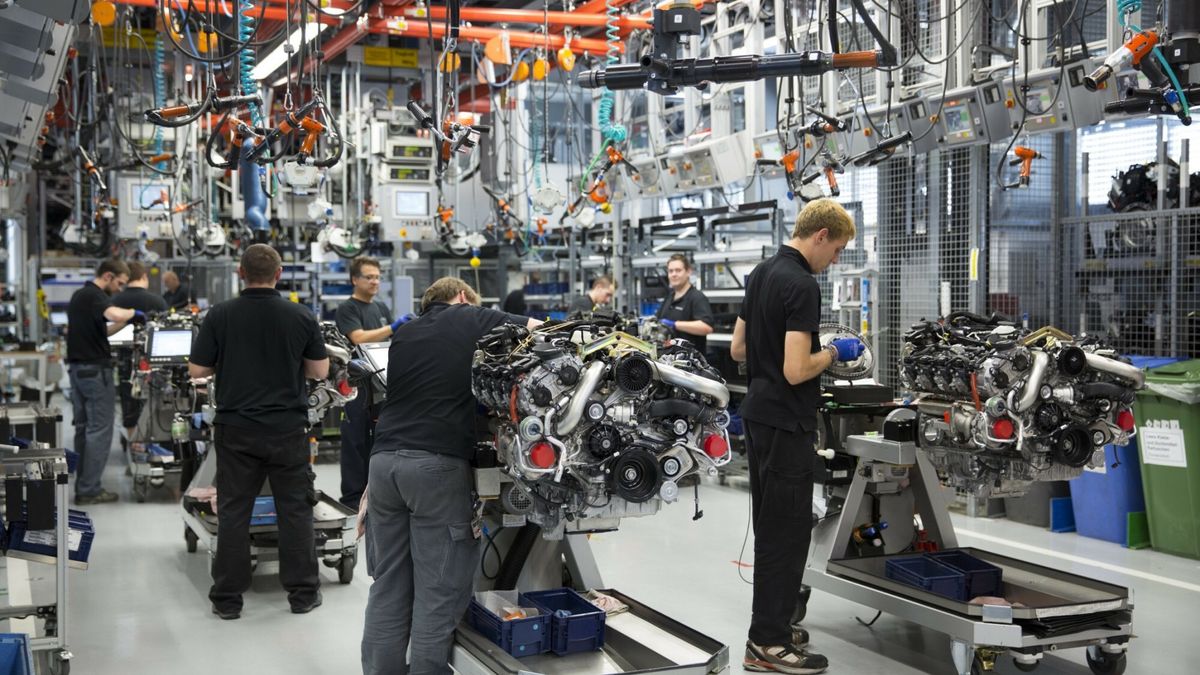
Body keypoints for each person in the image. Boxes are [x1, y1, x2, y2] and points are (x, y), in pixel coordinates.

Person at [361, 277, 541, 675]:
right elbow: (538, 331)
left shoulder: (405, 334)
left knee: (388, 586)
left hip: (384, 465)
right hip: (435, 468)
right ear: (462, 298)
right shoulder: (467, 316)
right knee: (437, 594)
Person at [730, 199, 864, 675]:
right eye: (839, 249)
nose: (837, 260)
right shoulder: (802, 284)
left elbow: (738, 348)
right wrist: (833, 351)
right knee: (786, 536)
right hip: (788, 423)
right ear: (821, 235)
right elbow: (796, 368)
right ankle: (767, 643)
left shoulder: (761, 273)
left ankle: (775, 625)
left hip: (758, 417)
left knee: (771, 528)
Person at [189, 244, 329, 620]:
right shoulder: (300, 315)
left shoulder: (220, 315)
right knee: (295, 512)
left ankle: (227, 601)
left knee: (234, 512)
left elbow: (197, 371)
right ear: (279, 274)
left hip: (236, 429)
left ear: (240, 272)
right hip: (287, 429)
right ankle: (302, 595)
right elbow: (320, 371)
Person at [334, 256, 409, 509]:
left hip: (380, 386)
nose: (375, 281)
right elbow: (358, 338)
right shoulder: (348, 309)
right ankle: (352, 499)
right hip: (356, 387)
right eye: (369, 276)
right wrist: (393, 326)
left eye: (377, 277)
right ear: (355, 280)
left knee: (379, 441)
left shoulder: (380, 308)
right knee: (355, 442)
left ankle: (376, 495)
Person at [67, 259, 141, 505]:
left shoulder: (80, 296)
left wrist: (126, 323)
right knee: (99, 430)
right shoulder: (95, 295)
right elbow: (114, 312)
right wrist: (133, 312)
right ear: (108, 276)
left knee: (85, 427)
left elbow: (103, 329)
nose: (120, 289)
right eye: (119, 283)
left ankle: (83, 483)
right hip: (95, 372)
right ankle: (89, 489)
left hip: (79, 371)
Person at [110, 261, 169, 449]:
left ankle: (134, 444)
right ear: (144, 277)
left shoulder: (116, 301)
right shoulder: (158, 301)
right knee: (157, 398)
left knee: (129, 399)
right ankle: (156, 439)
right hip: (156, 361)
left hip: (126, 359)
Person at [655, 254, 715, 352]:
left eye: (678, 270)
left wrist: (674, 324)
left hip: (690, 362)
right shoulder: (669, 297)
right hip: (668, 360)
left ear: (688, 272)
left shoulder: (697, 297)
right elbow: (658, 321)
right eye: (670, 271)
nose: (674, 274)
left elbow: (706, 327)